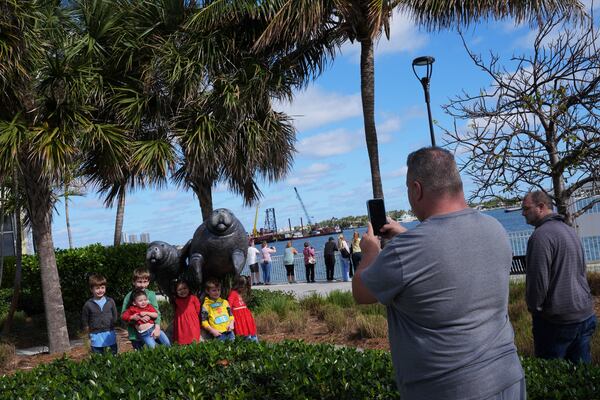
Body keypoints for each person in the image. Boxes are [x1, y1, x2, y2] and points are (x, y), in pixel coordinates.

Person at [352, 147, 525, 400]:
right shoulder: (494, 228)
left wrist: (370, 251)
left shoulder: (408, 250)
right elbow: (448, 251)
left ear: (417, 189)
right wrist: (407, 236)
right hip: (509, 379)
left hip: (450, 389)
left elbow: (361, 292)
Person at [521, 190, 596, 363]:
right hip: (584, 314)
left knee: (553, 377)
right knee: (582, 380)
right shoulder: (569, 230)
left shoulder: (540, 237)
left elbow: (537, 284)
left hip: (557, 321)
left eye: (526, 208)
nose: (523, 213)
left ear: (541, 207)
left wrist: (534, 308)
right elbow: (581, 270)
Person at [121, 267, 162, 350]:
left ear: (148, 282)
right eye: (139, 282)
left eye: (145, 282)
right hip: (135, 334)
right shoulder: (129, 296)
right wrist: (135, 318)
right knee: (140, 354)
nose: (142, 285)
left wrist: (157, 327)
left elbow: (157, 312)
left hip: (152, 330)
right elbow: (123, 315)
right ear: (134, 282)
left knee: (157, 351)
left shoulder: (151, 294)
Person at [81, 274, 118, 355]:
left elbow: (115, 316)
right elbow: (85, 320)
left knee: (113, 356)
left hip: (109, 334)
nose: (100, 290)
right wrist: (88, 334)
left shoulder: (110, 301)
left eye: (102, 288)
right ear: (91, 289)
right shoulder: (88, 305)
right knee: (98, 358)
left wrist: (113, 325)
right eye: (97, 288)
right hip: (95, 335)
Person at [227, 276, 258, 342]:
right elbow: (229, 306)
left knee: (250, 332)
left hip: (246, 317)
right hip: (239, 318)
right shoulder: (233, 293)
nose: (243, 288)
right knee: (243, 334)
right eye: (242, 286)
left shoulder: (240, 294)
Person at [172, 279, 201, 345]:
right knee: (182, 342)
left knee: (194, 341)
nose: (182, 291)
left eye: (185, 288)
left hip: (192, 324)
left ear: (189, 288)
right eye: (179, 290)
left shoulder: (193, 298)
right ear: (176, 291)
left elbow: (198, 310)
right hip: (181, 325)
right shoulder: (176, 301)